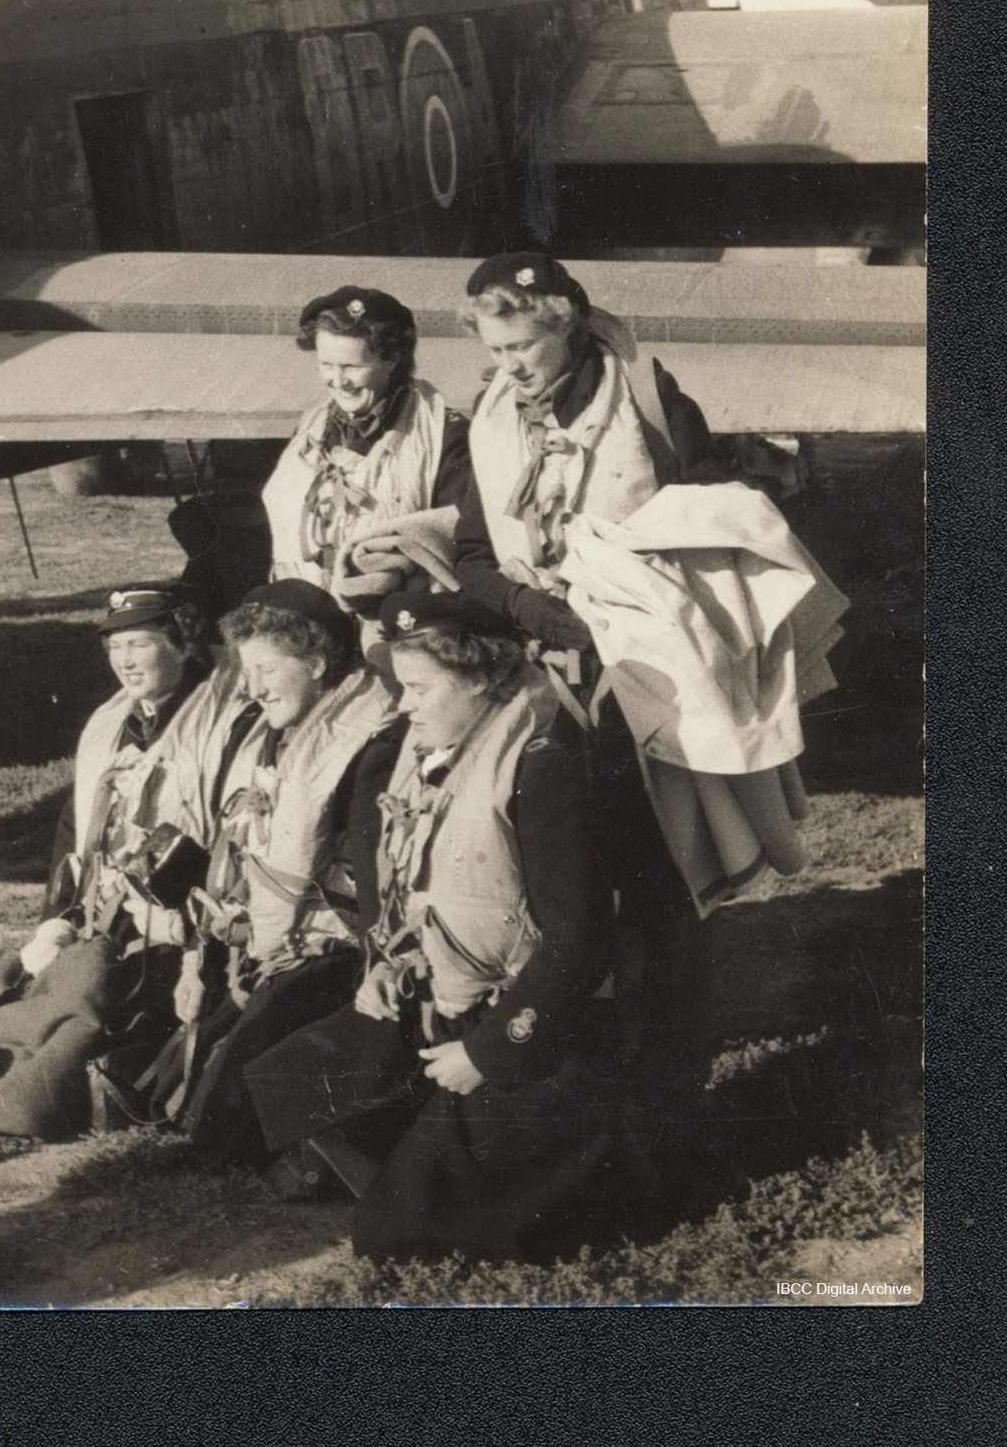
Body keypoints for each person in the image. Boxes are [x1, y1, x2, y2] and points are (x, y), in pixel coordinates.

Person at [245, 591, 624, 1263]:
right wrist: (392, 965)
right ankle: (428, 1152)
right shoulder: (444, 758)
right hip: (452, 1000)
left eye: (420, 688)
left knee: (398, 1237)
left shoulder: (540, 768)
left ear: (479, 679)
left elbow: (579, 944)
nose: (405, 704)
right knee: (285, 1081)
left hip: (545, 1031)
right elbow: (432, 893)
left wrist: (487, 1055)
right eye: (400, 686)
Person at [452, 250, 720, 1137]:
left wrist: (617, 601)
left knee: (655, 867)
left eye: (524, 344)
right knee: (565, 870)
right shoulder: (490, 419)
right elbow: (467, 556)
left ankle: (671, 1070)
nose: (511, 365)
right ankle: (584, 1054)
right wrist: (528, 605)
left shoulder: (642, 399)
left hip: (641, 671)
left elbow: (710, 518)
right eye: (495, 350)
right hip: (543, 671)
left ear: (568, 319)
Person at [0, 581, 223, 1141]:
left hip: (172, 914)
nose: (125, 661)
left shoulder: (215, 724)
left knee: (84, 988)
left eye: (139, 644)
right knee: (25, 972)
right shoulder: (113, 723)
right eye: (115, 648)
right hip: (105, 905)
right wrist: (58, 916)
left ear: (184, 644)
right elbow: (76, 832)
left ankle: (23, 1093)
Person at [144, 579, 396, 1164]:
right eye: (245, 670)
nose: (252, 689)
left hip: (336, 951)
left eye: (267, 670)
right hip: (270, 942)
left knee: (220, 1124)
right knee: (169, 1091)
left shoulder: (368, 742)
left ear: (315, 661)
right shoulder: (281, 733)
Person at [261, 286, 470, 616]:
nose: (338, 380)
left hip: (390, 614)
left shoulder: (443, 433)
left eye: (351, 367)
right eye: (327, 364)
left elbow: (454, 537)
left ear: (391, 359)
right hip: (307, 608)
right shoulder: (311, 428)